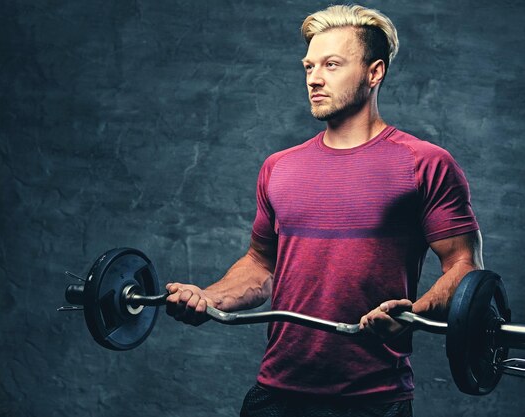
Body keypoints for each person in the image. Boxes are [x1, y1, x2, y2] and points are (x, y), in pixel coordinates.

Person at [166, 4, 483, 417]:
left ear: (375, 73)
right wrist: (208, 298)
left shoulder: (424, 164)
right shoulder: (280, 167)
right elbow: (261, 266)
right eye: (309, 66)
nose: (314, 78)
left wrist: (414, 314)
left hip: (374, 398)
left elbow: (465, 265)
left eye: (332, 65)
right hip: (276, 394)